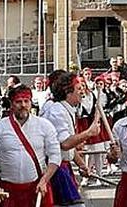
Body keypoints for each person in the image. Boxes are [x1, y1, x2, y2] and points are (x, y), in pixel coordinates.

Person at [0, 85, 60, 207]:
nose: (23, 105)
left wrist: (45, 180)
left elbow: (55, 156)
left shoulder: (45, 125)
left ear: (30, 102)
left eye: (26, 101)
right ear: (11, 104)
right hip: (7, 190)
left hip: (37, 187)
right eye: (18, 102)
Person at [39, 71, 100, 207]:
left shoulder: (66, 109)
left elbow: (69, 149)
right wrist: (89, 133)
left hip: (63, 167)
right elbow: (65, 143)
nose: (82, 92)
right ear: (68, 92)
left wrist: (82, 165)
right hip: (55, 169)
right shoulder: (56, 111)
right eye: (78, 89)